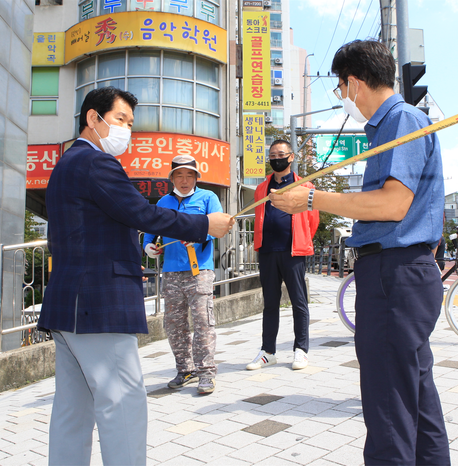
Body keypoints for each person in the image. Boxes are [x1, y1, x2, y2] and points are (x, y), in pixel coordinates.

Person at [268, 40, 450, 465]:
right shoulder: (394, 125)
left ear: (353, 83)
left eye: (339, 87)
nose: (342, 97)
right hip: (402, 273)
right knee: (414, 399)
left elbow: (392, 204)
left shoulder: (401, 120)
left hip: (394, 275)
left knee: (389, 406)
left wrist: (311, 199)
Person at [38, 87, 234, 466]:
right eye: (120, 119)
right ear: (93, 118)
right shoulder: (96, 163)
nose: (126, 129)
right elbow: (142, 213)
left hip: (68, 305)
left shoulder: (65, 164)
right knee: (123, 403)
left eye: (130, 123)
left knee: (72, 411)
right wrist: (203, 225)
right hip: (99, 304)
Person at [142, 155, 221, 395]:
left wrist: (199, 234)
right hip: (171, 272)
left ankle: (206, 372)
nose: (184, 180)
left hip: (200, 270)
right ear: (172, 178)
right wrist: (149, 247)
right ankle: (185, 369)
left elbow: (219, 227)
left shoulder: (208, 197)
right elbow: (150, 230)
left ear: (196, 177)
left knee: (203, 321)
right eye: (179, 175)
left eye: (189, 175)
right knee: (174, 323)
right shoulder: (163, 202)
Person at [246, 140, 319, 371]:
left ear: (291, 157)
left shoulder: (305, 185)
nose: (277, 159)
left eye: (281, 154)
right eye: (273, 155)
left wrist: (302, 238)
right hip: (267, 251)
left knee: (299, 301)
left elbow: (313, 220)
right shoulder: (262, 187)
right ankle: (268, 352)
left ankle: (301, 350)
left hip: (293, 251)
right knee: (270, 303)